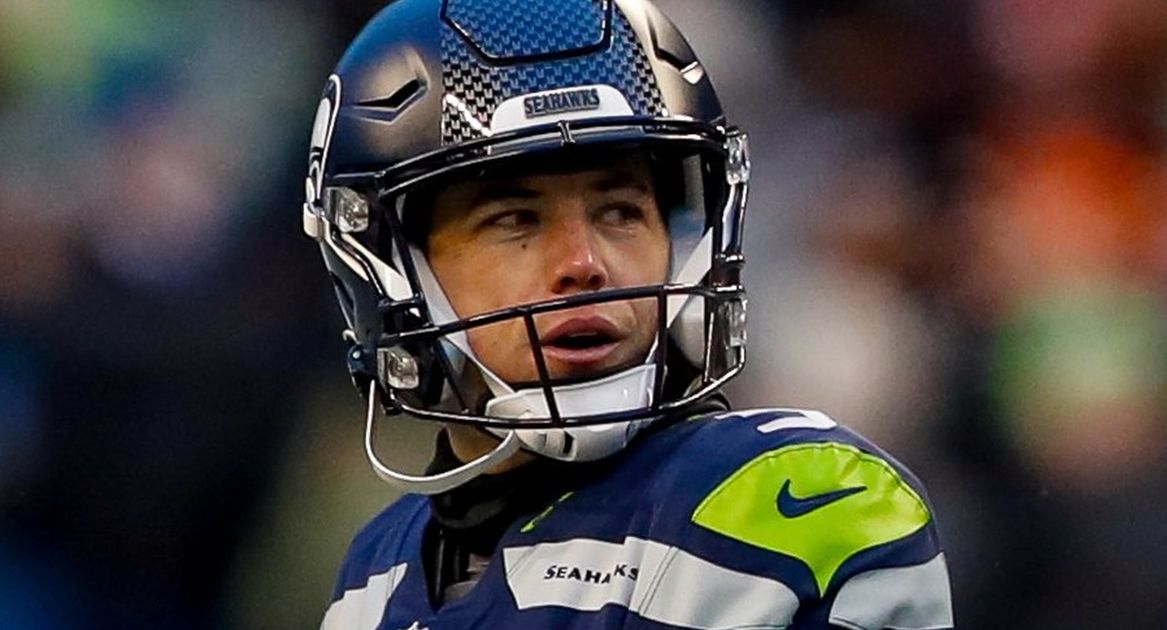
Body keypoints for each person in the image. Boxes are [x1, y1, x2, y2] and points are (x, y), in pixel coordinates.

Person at [303, 0, 953, 628]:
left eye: (620, 211)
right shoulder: (375, 569)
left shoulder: (793, 506)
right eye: (514, 220)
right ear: (391, 263)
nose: (583, 262)